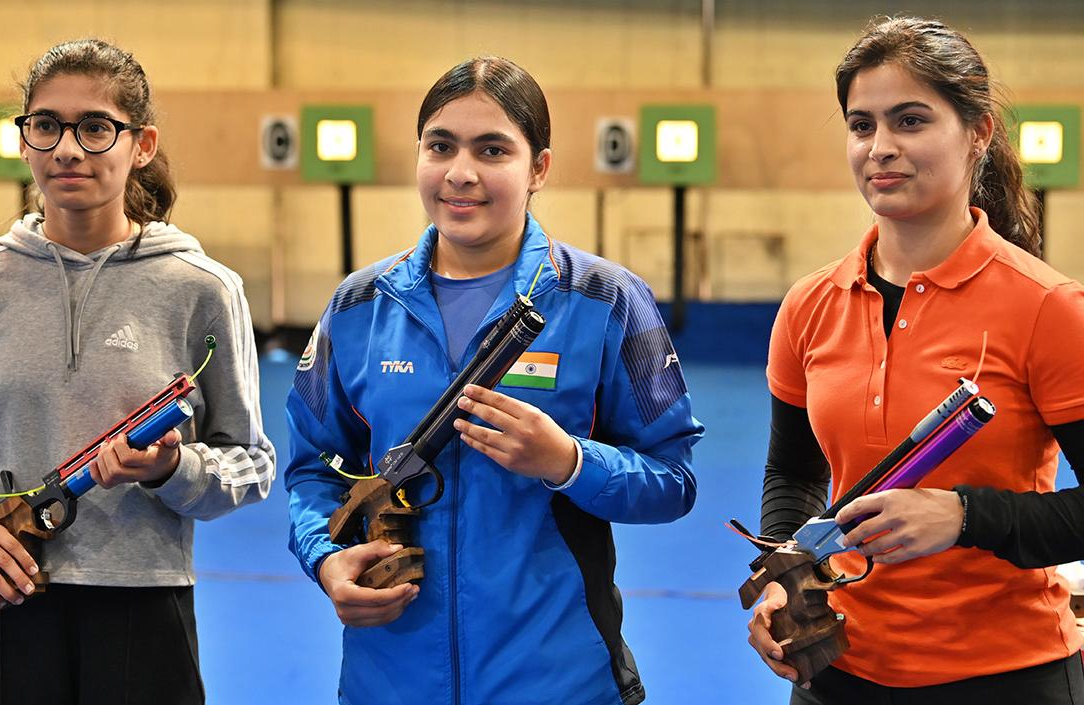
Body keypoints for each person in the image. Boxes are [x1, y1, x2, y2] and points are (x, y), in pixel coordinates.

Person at [285, 56, 703, 705]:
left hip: (560, 680)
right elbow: (313, 465)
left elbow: (673, 481)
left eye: (492, 149)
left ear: (538, 167)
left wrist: (567, 461)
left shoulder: (609, 300)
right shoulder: (358, 306)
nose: (461, 172)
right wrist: (325, 556)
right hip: (388, 681)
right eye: (441, 145)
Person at [0, 39, 274, 705]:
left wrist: (170, 469)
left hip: (143, 609)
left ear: (141, 143)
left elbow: (251, 464)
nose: (68, 149)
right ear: (26, 139)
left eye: (95, 127)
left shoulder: (204, 289)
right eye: (47, 126)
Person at [747, 16, 1084, 704]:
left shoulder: (1049, 308)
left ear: (978, 132)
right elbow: (795, 469)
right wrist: (784, 568)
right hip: (840, 676)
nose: (881, 148)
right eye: (862, 125)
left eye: (910, 121)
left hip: (1008, 677)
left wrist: (963, 516)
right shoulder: (809, 304)